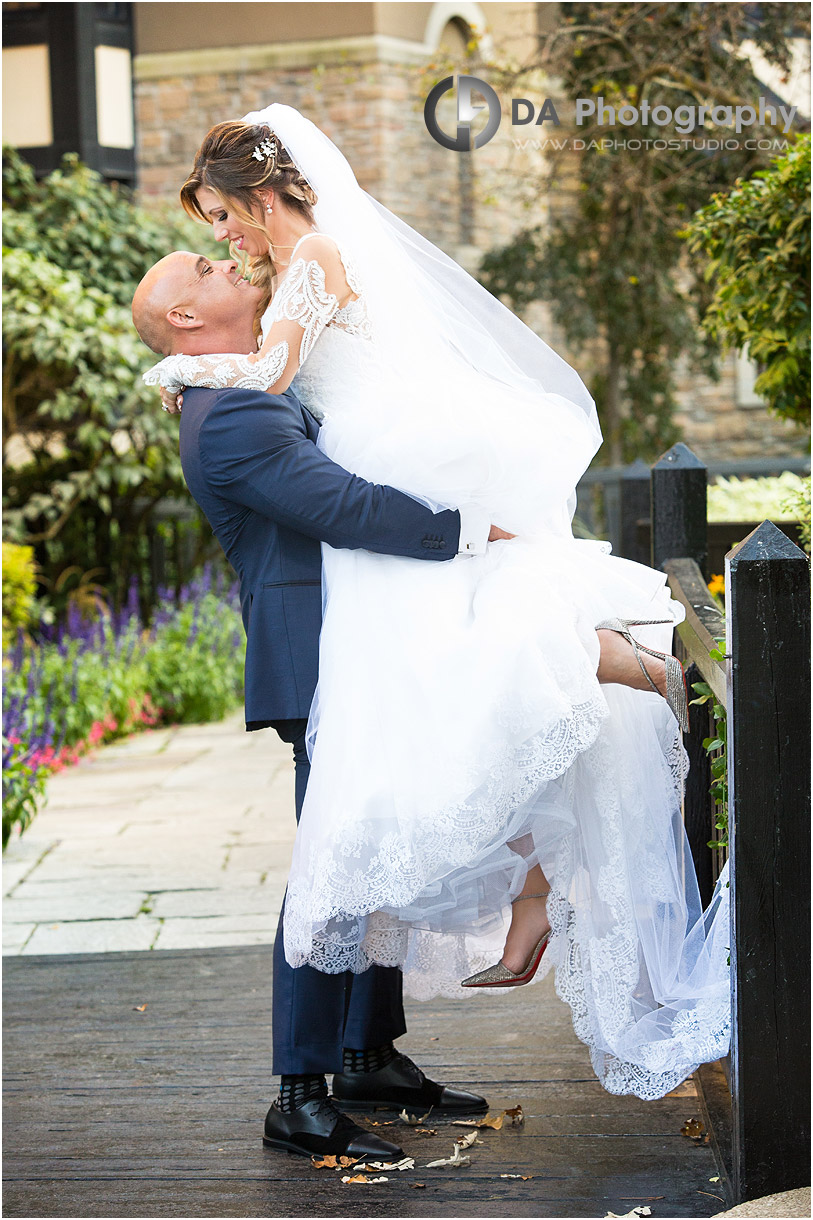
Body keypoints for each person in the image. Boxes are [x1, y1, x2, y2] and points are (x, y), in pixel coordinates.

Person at [145, 103, 730, 1104]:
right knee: (416, 754)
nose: (222, 239)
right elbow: (291, 421)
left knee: (472, 675)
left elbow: (281, 379)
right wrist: (198, 370)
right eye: (208, 238)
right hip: (360, 551)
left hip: (400, 492)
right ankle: (323, 1077)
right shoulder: (266, 330)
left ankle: (382, 1038)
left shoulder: (314, 258)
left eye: (218, 219)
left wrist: (185, 365)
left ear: (253, 190)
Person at [132, 252, 499, 1160]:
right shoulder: (229, 416)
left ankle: (366, 1056)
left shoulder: (246, 390)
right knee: (334, 866)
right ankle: (297, 1093)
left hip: (356, 653)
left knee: (369, 851)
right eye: (205, 265)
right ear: (186, 320)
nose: (226, 259)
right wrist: (466, 532)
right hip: (322, 663)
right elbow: (337, 504)